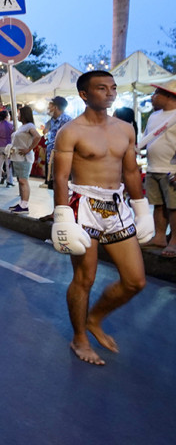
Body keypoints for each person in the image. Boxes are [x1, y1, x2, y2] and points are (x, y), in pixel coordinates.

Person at [51, 70, 153, 366]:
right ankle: (79, 337)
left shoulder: (125, 129)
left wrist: (141, 209)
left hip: (117, 206)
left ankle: (94, 318)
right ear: (84, 95)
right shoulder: (71, 131)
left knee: (135, 281)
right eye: (101, 88)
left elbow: (131, 171)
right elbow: (60, 178)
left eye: (113, 88)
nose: (110, 93)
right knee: (85, 278)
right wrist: (62, 218)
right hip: (84, 205)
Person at [139, 83, 176, 255]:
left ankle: (174, 240)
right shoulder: (154, 116)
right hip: (153, 167)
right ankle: (159, 237)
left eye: (156, 93)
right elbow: (147, 139)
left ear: (169, 96)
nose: (152, 97)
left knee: (174, 207)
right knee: (158, 205)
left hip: (171, 170)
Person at [7, 105, 42, 214]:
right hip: (17, 157)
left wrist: (29, 149)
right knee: (20, 180)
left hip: (24, 158)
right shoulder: (23, 126)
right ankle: (22, 203)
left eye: (19, 114)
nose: (18, 116)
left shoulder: (29, 126)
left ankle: (24, 205)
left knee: (23, 180)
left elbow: (37, 136)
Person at [43, 96, 72, 190]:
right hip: (51, 157)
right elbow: (45, 132)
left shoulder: (67, 120)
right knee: (52, 187)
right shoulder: (51, 121)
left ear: (55, 107)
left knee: (61, 186)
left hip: (62, 158)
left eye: (49, 105)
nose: (48, 108)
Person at [0, 109, 15, 187]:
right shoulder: (11, 126)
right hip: (8, 147)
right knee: (8, 165)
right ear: (7, 116)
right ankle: (9, 181)